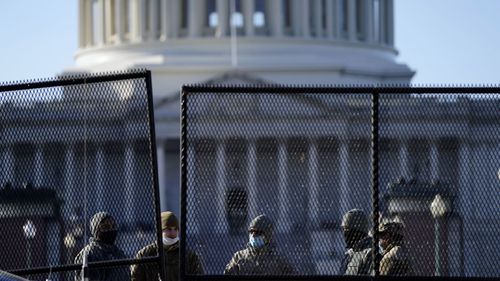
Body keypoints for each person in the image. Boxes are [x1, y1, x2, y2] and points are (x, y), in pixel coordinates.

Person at [131, 211, 203, 281]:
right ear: (160, 231)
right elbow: (135, 277)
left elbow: (199, 276)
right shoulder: (146, 254)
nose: (173, 233)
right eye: (169, 229)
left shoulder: (188, 255)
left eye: (175, 229)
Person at [224, 214, 295, 275]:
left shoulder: (279, 260)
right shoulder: (239, 257)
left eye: (258, 232)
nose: (253, 235)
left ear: (267, 235)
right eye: (251, 231)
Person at [74, 212, 130, 281]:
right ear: (96, 230)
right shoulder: (89, 254)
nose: (111, 230)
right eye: (105, 227)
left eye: (113, 226)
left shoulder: (118, 253)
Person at [339, 209, 373, 275]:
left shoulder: (369, 252)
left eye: (347, 229)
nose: (344, 233)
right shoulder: (349, 253)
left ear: (357, 230)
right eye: (343, 229)